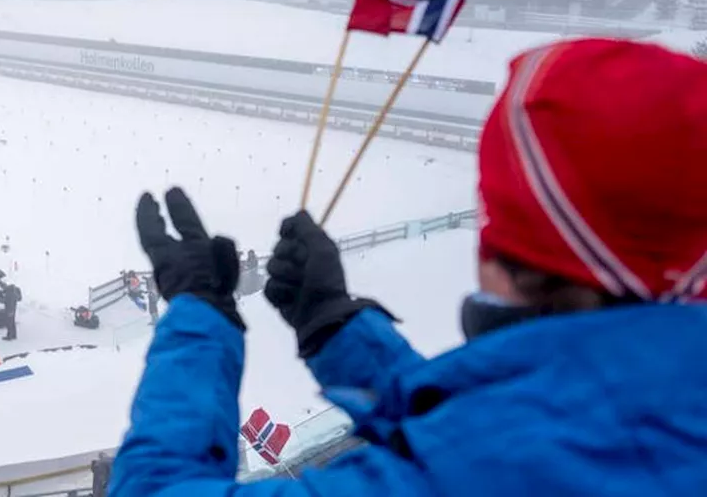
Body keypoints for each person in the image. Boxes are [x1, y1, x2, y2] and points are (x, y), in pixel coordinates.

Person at [108, 39, 707, 497]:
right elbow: (504, 425)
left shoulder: (483, 468)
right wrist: (334, 325)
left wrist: (196, 315)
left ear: (523, 252)